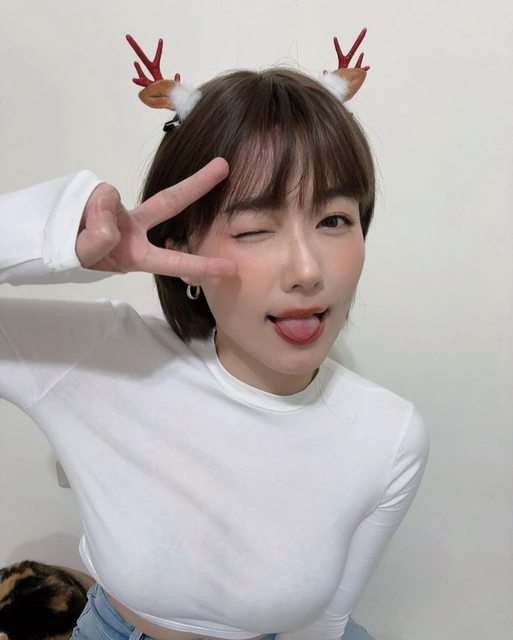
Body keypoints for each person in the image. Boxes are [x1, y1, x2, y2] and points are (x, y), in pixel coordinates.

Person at [0, 40, 429, 640]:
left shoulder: (391, 435)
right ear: (180, 251)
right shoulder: (102, 359)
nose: (308, 271)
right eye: (254, 228)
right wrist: (51, 238)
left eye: (334, 220)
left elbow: (327, 620)